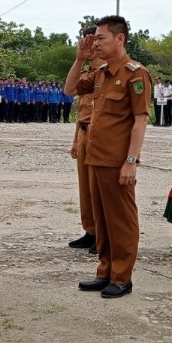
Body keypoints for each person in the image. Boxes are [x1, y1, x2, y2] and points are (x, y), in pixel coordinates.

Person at [65, 15, 151, 298]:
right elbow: (69, 90)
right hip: (96, 158)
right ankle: (105, 272)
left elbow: (139, 121)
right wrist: (80, 59)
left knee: (121, 221)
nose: (96, 43)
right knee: (102, 221)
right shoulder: (100, 74)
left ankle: (122, 277)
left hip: (117, 162)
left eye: (101, 38)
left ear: (120, 39)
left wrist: (131, 161)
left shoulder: (135, 74)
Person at [67, 26, 104, 255]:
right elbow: (81, 108)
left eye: (91, 42)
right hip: (83, 132)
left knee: (97, 187)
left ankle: (101, 234)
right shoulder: (86, 74)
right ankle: (90, 230)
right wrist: (75, 140)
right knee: (85, 188)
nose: (87, 46)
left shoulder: (106, 72)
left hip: (100, 135)